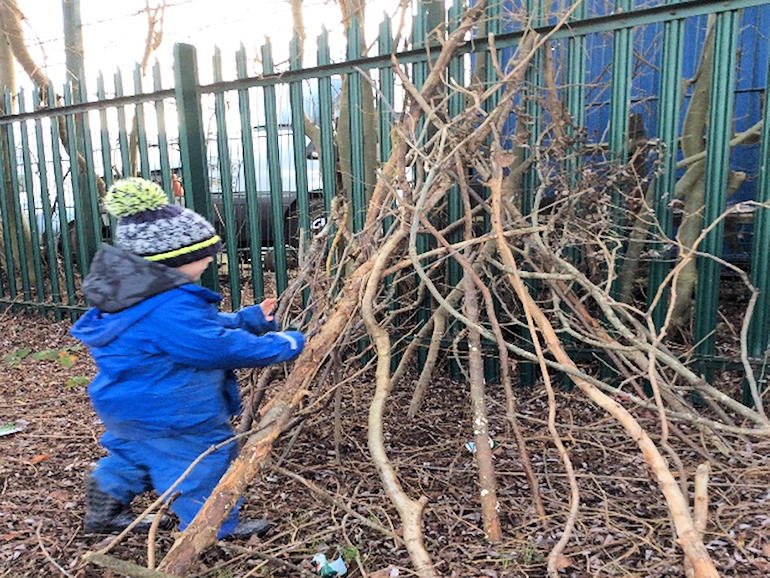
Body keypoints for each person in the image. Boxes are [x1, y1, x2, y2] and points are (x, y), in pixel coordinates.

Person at [70, 177, 305, 539]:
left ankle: (105, 507)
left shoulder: (142, 298)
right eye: (203, 251)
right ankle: (209, 529)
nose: (212, 256)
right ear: (173, 261)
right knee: (203, 463)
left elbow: (198, 329)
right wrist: (282, 345)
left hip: (131, 404)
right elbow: (213, 346)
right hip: (173, 409)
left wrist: (248, 319)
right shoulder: (170, 307)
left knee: (133, 453)